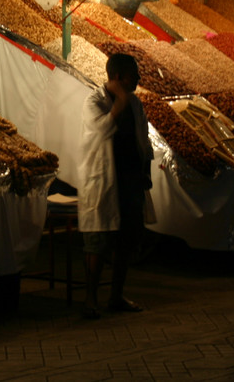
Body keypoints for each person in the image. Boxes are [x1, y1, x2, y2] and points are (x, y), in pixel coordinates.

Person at [77, 52, 153, 319]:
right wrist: (120, 101)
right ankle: (90, 300)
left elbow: (143, 139)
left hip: (130, 181)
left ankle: (116, 296)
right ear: (119, 76)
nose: (138, 79)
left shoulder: (135, 104)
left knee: (126, 241)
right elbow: (101, 129)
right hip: (103, 182)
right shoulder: (93, 101)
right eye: (134, 74)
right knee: (97, 243)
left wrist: (146, 170)